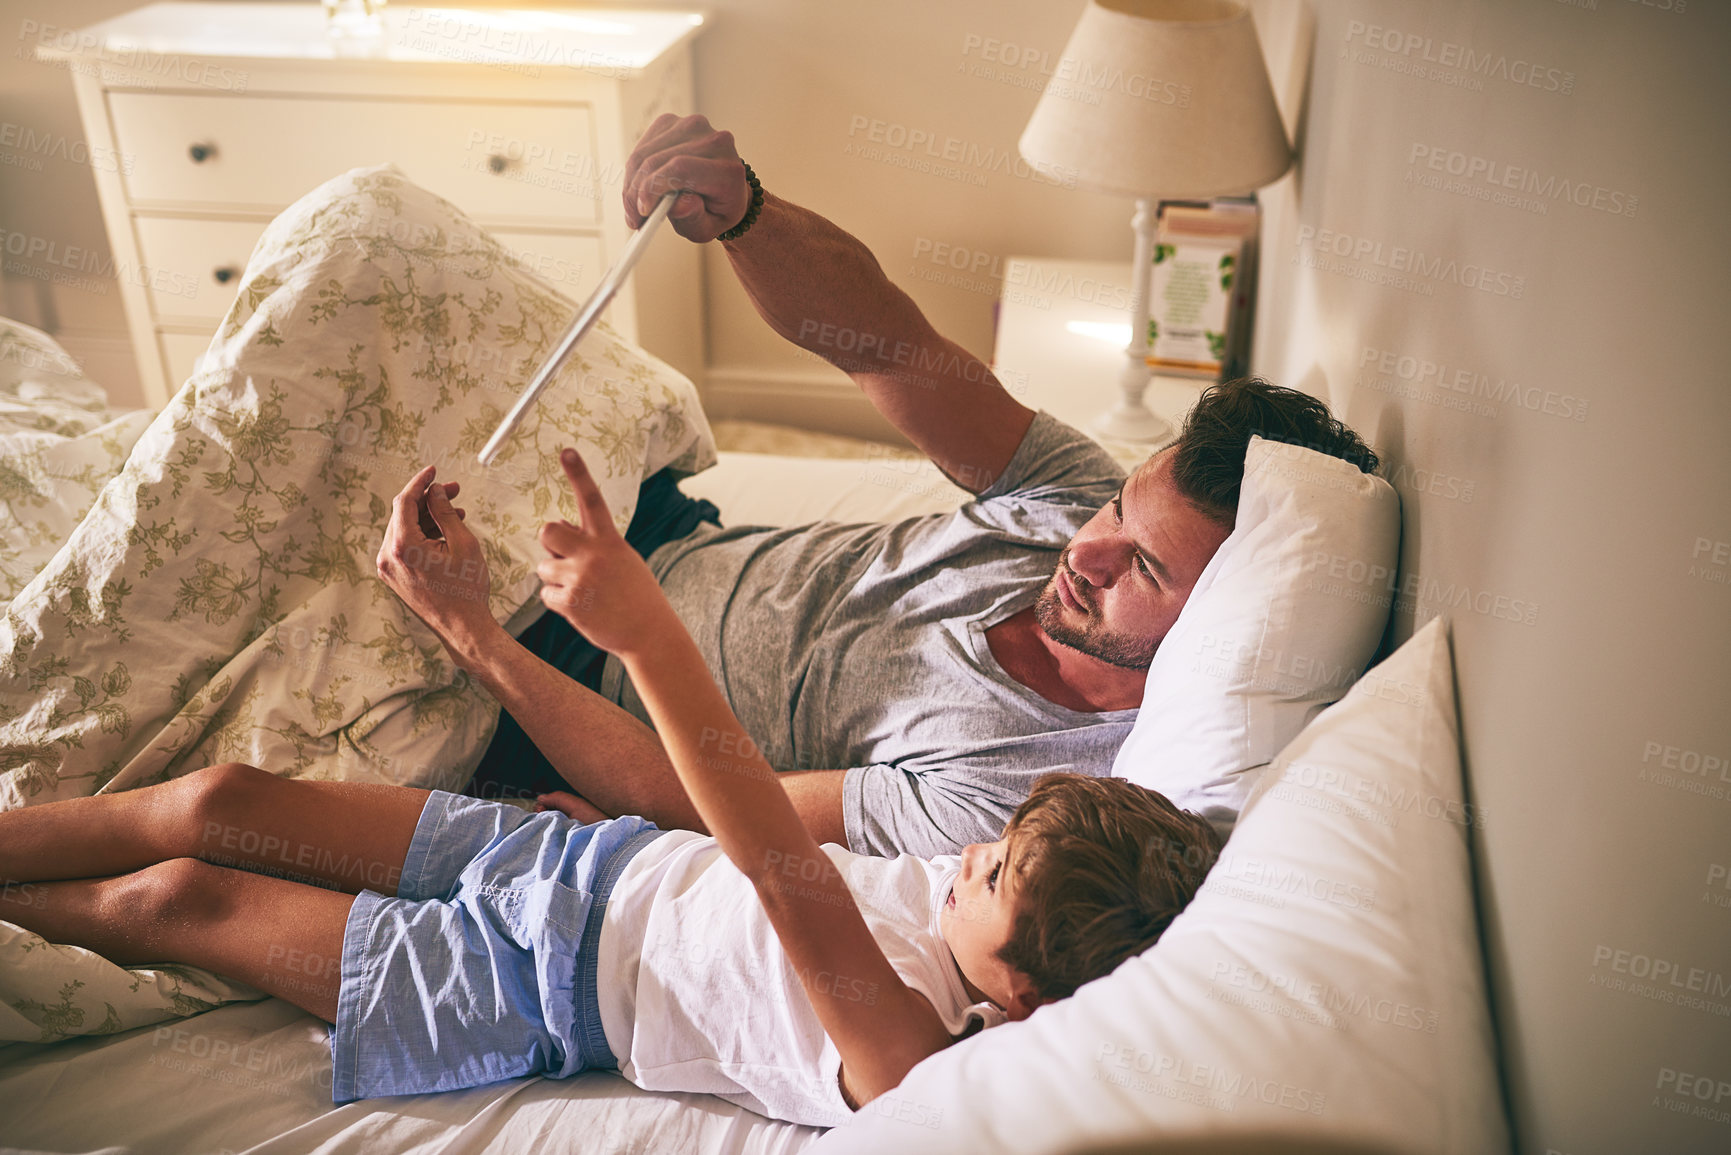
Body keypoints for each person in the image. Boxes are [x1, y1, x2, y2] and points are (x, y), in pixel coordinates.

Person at [0, 449, 1221, 1125]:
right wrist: (637, 840)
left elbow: (783, 876)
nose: (969, 860)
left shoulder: (910, 1056)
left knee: (174, 901)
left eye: (995, 877)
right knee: (222, 800)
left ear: (1023, 1000)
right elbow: (751, 861)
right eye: (995, 848)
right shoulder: (964, 912)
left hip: (529, 988)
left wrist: (649, 640)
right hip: (584, 864)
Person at [379, 114, 1380, 860]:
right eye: (1123, 510)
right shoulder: (1073, 497)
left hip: (562, 678)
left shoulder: (1018, 789)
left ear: (1219, 625)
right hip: (658, 527)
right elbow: (886, 345)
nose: (1089, 547)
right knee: (379, 238)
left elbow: (702, 802)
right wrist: (745, 212)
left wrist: (474, 632)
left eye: (1145, 569)